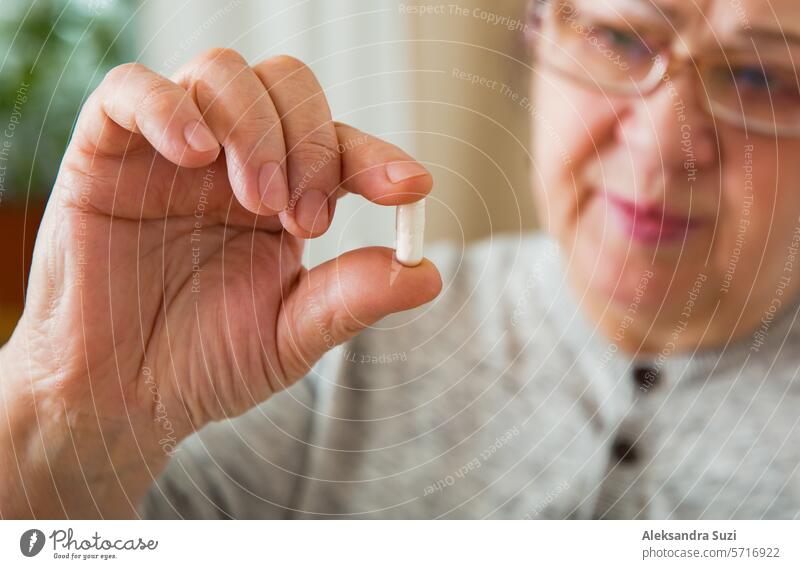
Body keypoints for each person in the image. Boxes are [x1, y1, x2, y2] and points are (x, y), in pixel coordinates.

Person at [2, 0, 800, 520]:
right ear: (536, 32)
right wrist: (65, 415)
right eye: (620, 36)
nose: (663, 148)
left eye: (764, 76)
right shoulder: (329, 357)